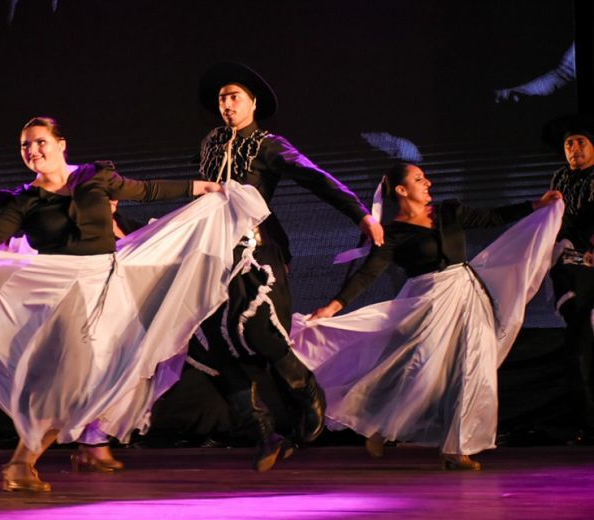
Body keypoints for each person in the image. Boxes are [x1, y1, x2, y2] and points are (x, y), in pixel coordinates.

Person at [0, 116, 269, 492]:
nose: (32, 151)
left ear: (61, 145)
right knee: (73, 382)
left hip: (108, 282)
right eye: (25, 146)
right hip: (58, 291)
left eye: (40, 142)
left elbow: (149, 189)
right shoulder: (25, 201)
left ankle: (47, 458)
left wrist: (210, 187)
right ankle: (24, 463)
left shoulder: (96, 177)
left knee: (94, 380)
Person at [294, 162, 562, 470]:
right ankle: (376, 424)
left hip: (467, 296)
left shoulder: (449, 212)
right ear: (401, 190)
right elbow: (368, 274)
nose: (428, 183)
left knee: (473, 368)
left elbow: (493, 216)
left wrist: (535, 205)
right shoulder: (392, 234)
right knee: (414, 371)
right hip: (428, 304)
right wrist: (333, 307)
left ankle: (457, 448)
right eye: (419, 179)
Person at [191, 62, 384, 471]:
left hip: (257, 246)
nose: (227, 105)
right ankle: (261, 430)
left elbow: (317, 178)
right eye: (222, 98)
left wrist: (362, 215)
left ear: (252, 103)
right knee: (208, 335)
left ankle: (306, 391)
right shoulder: (209, 143)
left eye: (235, 97)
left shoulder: (267, 144)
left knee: (260, 326)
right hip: (211, 249)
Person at [541, 114, 594, 445]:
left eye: (581, 142)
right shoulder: (559, 178)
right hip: (570, 269)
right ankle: (588, 422)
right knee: (579, 344)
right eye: (568, 144)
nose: (574, 148)